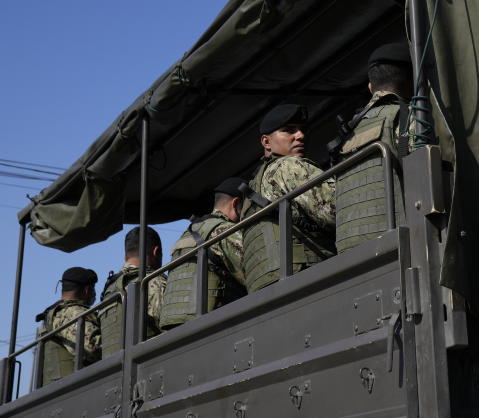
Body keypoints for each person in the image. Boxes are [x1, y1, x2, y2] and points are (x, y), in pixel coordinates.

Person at [241, 104, 336, 292]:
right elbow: (338, 213)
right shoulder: (289, 167)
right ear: (267, 142)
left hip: (265, 287)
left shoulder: (254, 186)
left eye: (302, 130)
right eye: (289, 131)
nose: (300, 136)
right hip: (307, 277)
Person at [332, 43, 412, 253]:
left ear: (370, 87)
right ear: (411, 81)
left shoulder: (346, 136)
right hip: (401, 245)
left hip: (349, 253)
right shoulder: (408, 117)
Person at [158, 178, 247, 331]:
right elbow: (252, 272)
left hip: (174, 330)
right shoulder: (224, 231)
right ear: (235, 204)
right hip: (211, 326)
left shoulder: (187, 234)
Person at [99, 227, 167, 355]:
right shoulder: (153, 281)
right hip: (150, 361)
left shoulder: (109, 289)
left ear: (125, 256)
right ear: (156, 252)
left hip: (112, 369)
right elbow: (170, 326)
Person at [35, 267, 101, 387]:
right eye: (93, 289)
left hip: (58, 388)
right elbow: (93, 348)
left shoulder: (53, 314)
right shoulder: (73, 313)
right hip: (74, 387)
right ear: (87, 290)